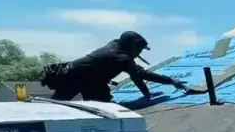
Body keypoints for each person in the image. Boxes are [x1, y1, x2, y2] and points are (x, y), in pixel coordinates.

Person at [40, 31, 191, 102]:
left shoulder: (114, 45)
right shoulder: (120, 57)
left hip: (87, 79)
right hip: (75, 78)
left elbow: (136, 74)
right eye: (138, 49)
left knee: (97, 102)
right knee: (58, 107)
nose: (139, 52)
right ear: (130, 47)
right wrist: (170, 81)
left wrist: (147, 94)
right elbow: (140, 75)